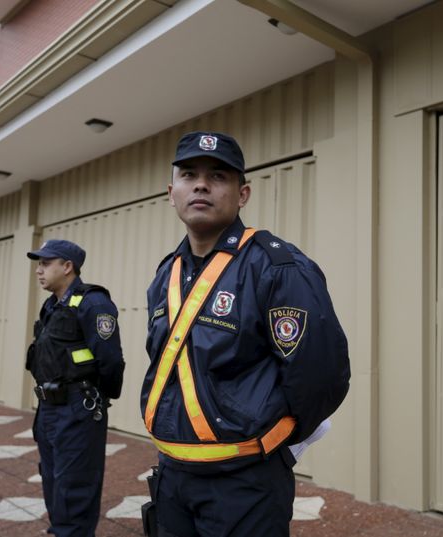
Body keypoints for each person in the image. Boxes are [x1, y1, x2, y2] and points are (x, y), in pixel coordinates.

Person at [140, 131, 350, 537]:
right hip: (172, 478)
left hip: (244, 485)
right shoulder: (167, 273)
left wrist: (276, 443)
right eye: (189, 174)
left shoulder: (277, 266)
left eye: (218, 175)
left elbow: (323, 375)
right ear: (172, 192)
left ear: (243, 194)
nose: (201, 184)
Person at [25, 239, 125, 537]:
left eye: (45, 263)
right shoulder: (52, 306)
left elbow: (111, 362)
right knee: (54, 480)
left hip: (77, 409)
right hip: (49, 409)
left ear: (67, 267)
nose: (39, 271)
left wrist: (94, 399)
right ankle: (61, 530)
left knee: (75, 484)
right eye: (38, 264)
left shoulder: (94, 303)